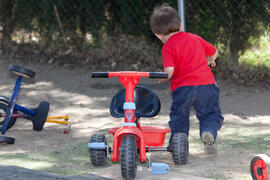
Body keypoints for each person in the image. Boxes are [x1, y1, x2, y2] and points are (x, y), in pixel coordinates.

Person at [150, 4, 224, 155]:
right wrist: (210, 59)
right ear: (180, 24)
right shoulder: (194, 38)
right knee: (210, 113)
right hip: (206, 86)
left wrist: (163, 78)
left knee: (179, 117)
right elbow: (214, 51)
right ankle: (208, 131)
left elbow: (169, 71)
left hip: (182, 89)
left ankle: (178, 147)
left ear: (158, 34)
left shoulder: (168, 47)